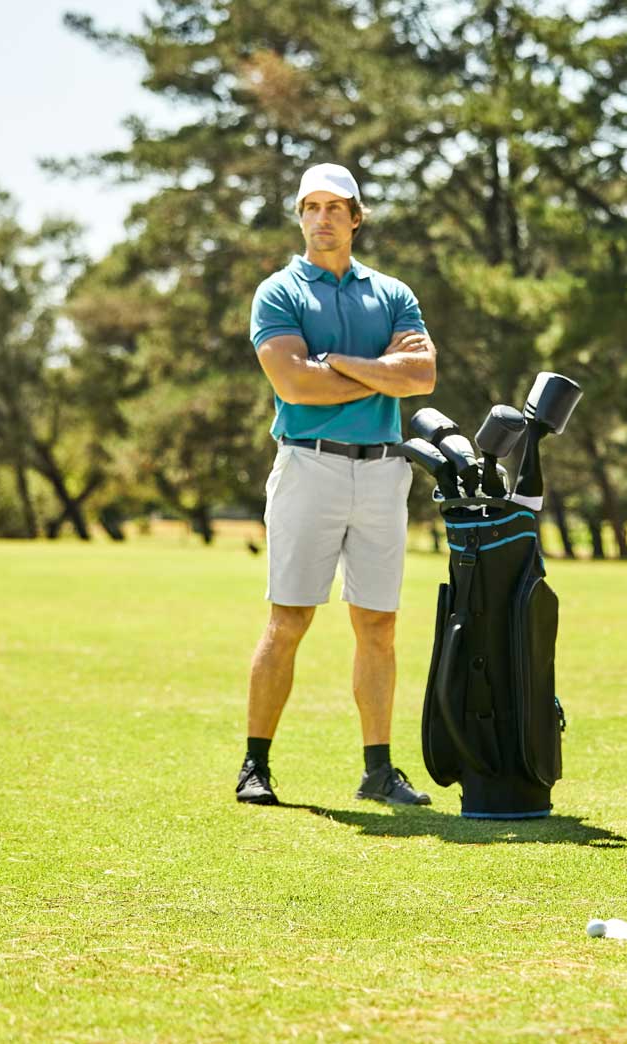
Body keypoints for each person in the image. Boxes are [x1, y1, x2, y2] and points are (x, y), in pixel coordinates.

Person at [237, 162, 437, 808]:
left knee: (378, 624)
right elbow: (296, 385)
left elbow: (422, 376)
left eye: (334, 207)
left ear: (355, 217)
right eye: (310, 207)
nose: (321, 219)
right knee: (289, 617)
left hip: (383, 470)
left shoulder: (394, 294)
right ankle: (255, 765)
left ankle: (378, 771)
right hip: (309, 466)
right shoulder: (279, 293)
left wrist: (339, 365)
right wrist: (381, 372)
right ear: (301, 217)